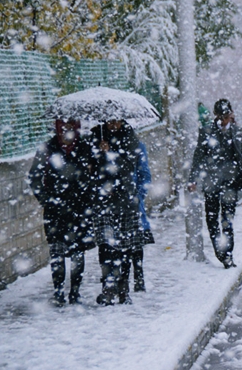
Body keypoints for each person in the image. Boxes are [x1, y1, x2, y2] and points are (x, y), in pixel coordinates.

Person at [28, 119, 95, 306]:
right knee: (57, 251)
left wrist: (87, 190)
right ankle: (58, 291)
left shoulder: (85, 147)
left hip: (79, 209)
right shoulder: (48, 148)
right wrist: (46, 199)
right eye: (63, 129)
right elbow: (34, 177)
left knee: (77, 252)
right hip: (55, 210)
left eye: (70, 130)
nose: (67, 134)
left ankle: (75, 291)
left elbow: (96, 174)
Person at [188, 99, 242, 269]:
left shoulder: (237, 132)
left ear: (231, 114)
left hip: (230, 183)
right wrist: (193, 179)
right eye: (221, 117)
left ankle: (228, 255)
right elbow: (198, 156)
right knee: (211, 219)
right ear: (216, 116)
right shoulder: (207, 132)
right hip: (211, 183)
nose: (224, 120)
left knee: (227, 220)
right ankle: (220, 251)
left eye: (226, 116)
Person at [89, 119, 143, 305]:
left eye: (116, 120)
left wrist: (110, 152)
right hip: (104, 202)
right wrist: (98, 154)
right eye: (109, 120)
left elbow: (129, 165)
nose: (113, 124)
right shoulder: (96, 135)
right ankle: (107, 287)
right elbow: (89, 168)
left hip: (125, 201)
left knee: (125, 247)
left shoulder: (130, 137)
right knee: (105, 246)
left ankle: (123, 289)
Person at [119, 141, 156, 294]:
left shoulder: (136, 146)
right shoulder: (103, 142)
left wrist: (138, 195)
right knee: (121, 243)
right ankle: (124, 279)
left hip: (132, 201)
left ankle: (138, 277)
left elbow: (145, 175)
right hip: (114, 202)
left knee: (136, 240)